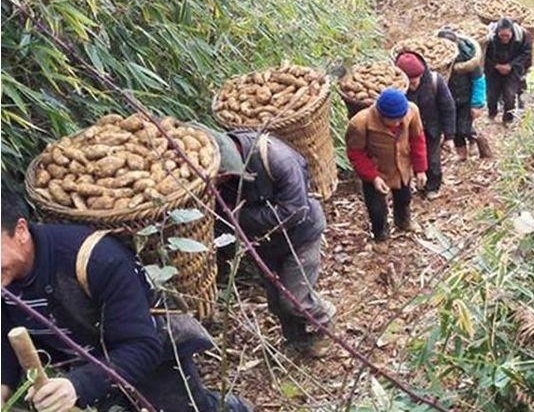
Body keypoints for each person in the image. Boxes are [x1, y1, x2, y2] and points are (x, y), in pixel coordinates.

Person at [0, 186, 251, 412]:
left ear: (20, 231)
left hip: (152, 359)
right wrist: (3, 388)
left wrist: (78, 385)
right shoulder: (5, 279)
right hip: (94, 369)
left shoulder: (97, 260)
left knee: (188, 407)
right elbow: (4, 339)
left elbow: (142, 345)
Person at [208, 128, 335, 357]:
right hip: (263, 244)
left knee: (294, 300)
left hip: (301, 236)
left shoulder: (277, 159)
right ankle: (297, 340)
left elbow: (295, 211)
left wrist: (238, 217)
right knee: (277, 303)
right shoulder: (218, 172)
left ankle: (323, 323)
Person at [345, 88, 427, 241]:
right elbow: (355, 153)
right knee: (376, 209)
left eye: (399, 119)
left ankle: (403, 221)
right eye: (392, 120)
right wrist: (372, 176)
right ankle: (381, 235)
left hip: (401, 167)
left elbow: (417, 139)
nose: (397, 123)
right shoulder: (361, 123)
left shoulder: (412, 111)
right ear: (381, 114)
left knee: (404, 198)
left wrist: (420, 169)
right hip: (376, 170)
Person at [394, 51, 456, 198]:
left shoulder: (435, 81)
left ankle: (432, 186)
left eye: (416, 80)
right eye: (410, 81)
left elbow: (448, 107)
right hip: (406, 130)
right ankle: (408, 187)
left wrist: (449, 136)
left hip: (431, 127)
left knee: (432, 159)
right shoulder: (396, 88)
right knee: (405, 159)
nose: (414, 84)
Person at [437, 27, 492, 161]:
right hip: (448, 101)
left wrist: (477, 104)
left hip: (465, 98)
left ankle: (477, 140)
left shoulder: (467, 57)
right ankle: (462, 154)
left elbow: (478, 80)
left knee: (464, 128)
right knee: (453, 129)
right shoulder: (438, 60)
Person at [484, 17, 532, 126]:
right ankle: (492, 113)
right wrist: (496, 65)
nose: (504, 38)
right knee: (491, 95)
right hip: (493, 69)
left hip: (513, 68)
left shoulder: (522, 36)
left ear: (512, 32)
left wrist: (511, 65)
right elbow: (483, 55)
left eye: (507, 36)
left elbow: (526, 53)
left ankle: (508, 118)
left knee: (509, 94)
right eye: (502, 35)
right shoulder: (490, 38)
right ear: (497, 33)